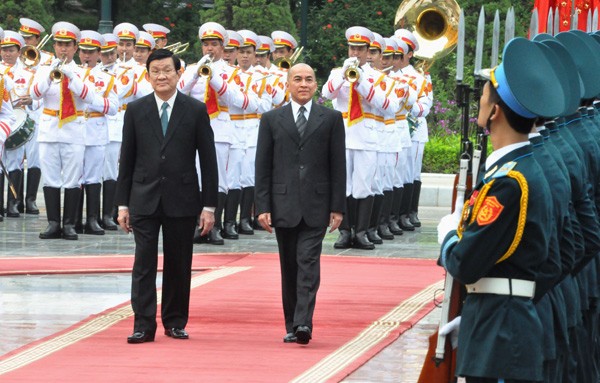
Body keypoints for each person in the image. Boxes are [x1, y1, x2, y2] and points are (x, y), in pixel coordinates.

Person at [437, 37, 566, 382]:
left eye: (483, 94)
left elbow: (465, 262)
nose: (479, 99)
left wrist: (448, 233)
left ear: (494, 111)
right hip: (505, 321)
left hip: (501, 335)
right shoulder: (527, 169)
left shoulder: (509, 182)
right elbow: (550, 262)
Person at [115, 48, 218, 344]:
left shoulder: (195, 110)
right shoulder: (135, 110)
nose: (161, 76)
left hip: (183, 199)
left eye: (167, 71)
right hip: (143, 197)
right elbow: (128, 160)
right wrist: (123, 204)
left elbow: (208, 162)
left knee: (178, 262)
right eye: (155, 71)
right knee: (143, 263)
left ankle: (174, 321)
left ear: (179, 73)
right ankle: (143, 324)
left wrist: (208, 206)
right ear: (147, 76)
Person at [255, 63, 346, 345]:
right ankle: (292, 323)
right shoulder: (271, 119)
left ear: (316, 85)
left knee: (307, 261)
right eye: (297, 79)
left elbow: (338, 165)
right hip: (283, 204)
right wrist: (262, 206)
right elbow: (263, 165)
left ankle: (304, 323)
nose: (303, 84)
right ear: (287, 84)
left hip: (317, 204)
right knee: (289, 266)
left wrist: (338, 206)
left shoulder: (330, 118)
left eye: (308, 79)